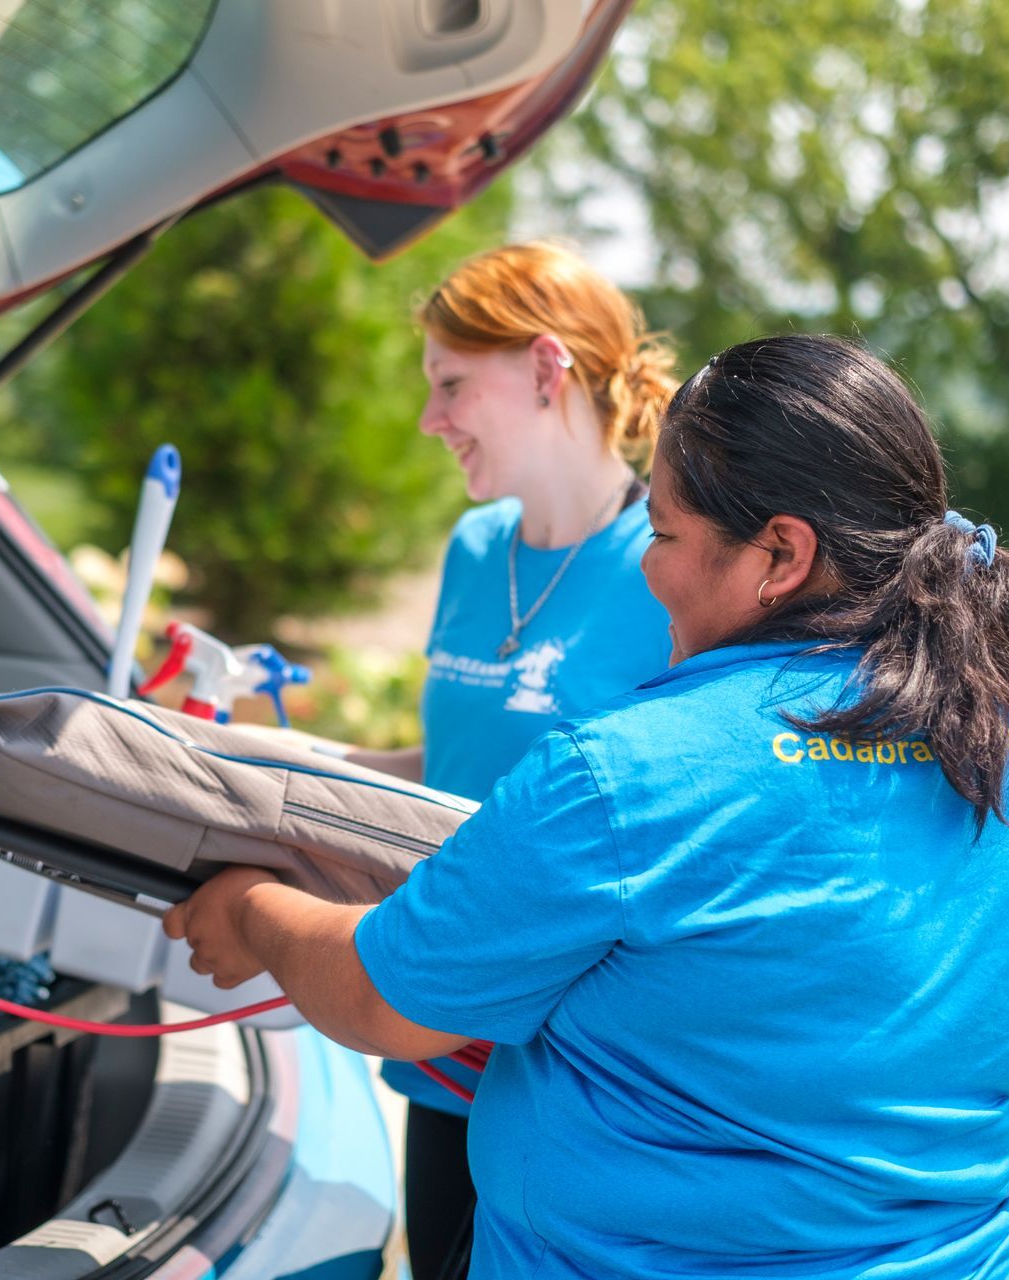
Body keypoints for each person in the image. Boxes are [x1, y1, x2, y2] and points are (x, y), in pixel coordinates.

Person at [166, 335, 1009, 1280]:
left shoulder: (624, 776)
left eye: (666, 533)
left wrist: (256, 908)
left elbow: (381, 999)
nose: (647, 570)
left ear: (781, 553)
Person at [335, 241, 679, 1280]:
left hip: (578, 1079)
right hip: (437, 1041)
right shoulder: (474, 547)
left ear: (544, 368)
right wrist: (275, 764)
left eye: (450, 385)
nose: (430, 420)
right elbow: (458, 761)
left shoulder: (669, 566)